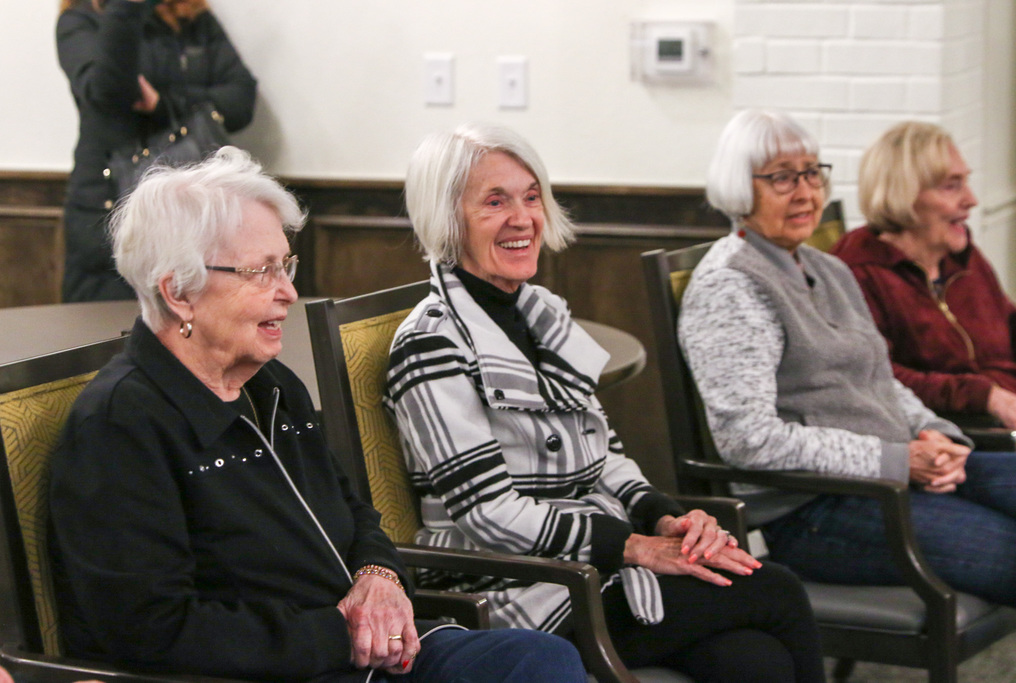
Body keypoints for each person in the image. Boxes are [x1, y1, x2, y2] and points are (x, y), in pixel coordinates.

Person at [48, 147, 587, 683]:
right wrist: (339, 636)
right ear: (179, 292)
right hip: (282, 670)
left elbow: (355, 512)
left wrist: (379, 578)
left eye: (286, 265)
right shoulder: (121, 424)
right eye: (261, 272)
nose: (288, 292)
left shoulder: (271, 383)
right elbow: (151, 630)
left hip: (368, 655)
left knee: (540, 660)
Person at [384, 123, 826, 683]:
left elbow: (607, 454)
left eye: (530, 195)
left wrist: (664, 518)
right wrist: (635, 547)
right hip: (521, 594)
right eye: (495, 202)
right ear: (448, 218)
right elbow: (489, 515)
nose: (523, 218)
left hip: (598, 570)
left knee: (752, 662)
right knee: (775, 589)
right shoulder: (430, 344)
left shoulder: (542, 313)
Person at [678, 109, 1016, 607]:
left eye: (812, 173)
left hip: (892, 475)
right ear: (739, 187)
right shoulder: (731, 286)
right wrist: (898, 461)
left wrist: (936, 434)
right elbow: (748, 442)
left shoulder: (827, 267)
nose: (805, 192)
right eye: (782, 178)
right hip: (816, 509)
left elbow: (881, 379)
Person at [56, 0, 257, 302]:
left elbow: (241, 99)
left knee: (191, 325)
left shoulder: (192, 16)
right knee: (102, 329)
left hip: (191, 209)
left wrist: (166, 104)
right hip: (109, 205)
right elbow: (111, 93)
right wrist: (126, 8)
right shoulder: (80, 19)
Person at [830, 121, 1016, 430]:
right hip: (958, 434)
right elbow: (876, 380)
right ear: (903, 194)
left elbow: (1007, 323)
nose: (971, 200)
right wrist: (985, 397)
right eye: (951, 186)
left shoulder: (961, 256)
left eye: (965, 182)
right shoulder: (857, 273)